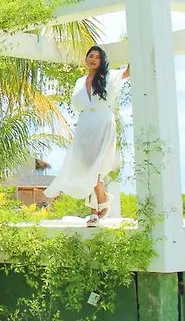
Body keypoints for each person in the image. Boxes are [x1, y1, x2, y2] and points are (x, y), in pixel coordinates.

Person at [44, 45, 130, 227]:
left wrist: (134, 47)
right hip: (85, 124)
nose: (93, 59)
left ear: (102, 61)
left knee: (96, 166)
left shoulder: (109, 76)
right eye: (91, 56)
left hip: (103, 122)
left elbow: (128, 72)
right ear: (86, 59)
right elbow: (78, 103)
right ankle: (98, 205)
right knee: (85, 166)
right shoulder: (80, 81)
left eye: (98, 57)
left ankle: (98, 205)